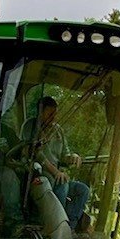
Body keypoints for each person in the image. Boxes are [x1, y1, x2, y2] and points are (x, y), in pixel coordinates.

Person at [25, 97, 90, 230]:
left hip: (56, 176)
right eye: (50, 114)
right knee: (62, 183)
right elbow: (35, 154)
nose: (54, 118)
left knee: (83, 190)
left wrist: (72, 157)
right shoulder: (30, 126)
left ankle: (69, 227)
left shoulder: (58, 129)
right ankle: (55, 227)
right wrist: (56, 172)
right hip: (37, 175)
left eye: (55, 114)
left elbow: (64, 154)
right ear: (40, 112)